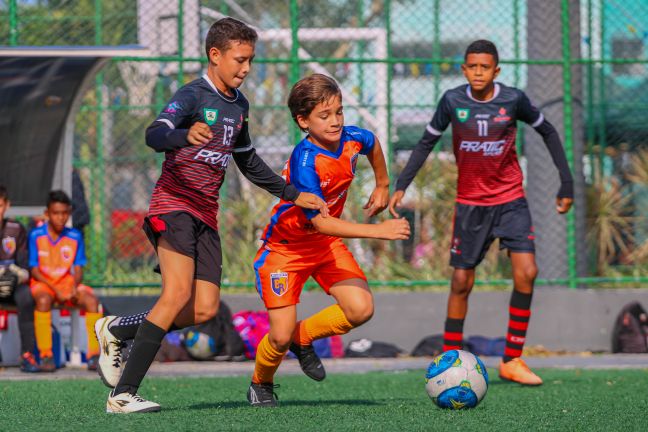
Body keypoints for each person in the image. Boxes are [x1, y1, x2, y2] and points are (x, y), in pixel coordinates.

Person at [92, 17, 328, 414]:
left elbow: (248, 161)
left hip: (206, 213)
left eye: (250, 60)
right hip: (173, 204)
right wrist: (184, 134)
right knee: (176, 294)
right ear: (214, 55)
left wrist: (292, 194)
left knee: (203, 309)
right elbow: (154, 133)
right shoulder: (191, 95)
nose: (246, 68)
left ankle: (117, 328)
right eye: (240, 59)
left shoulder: (240, 106)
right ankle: (122, 394)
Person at [389, 40, 574, 386]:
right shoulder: (452, 101)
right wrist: (402, 184)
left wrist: (566, 183)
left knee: (527, 272)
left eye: (484, 67)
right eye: (472, 66)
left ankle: (512, 358)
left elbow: (547, 131)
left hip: (511, 201)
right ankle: (449, 360)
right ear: (464, 69)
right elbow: (427, 141)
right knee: (461, 282)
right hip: (471, 204)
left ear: (496, 70)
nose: (477, 72)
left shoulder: (513, 99)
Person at [247, 74, 410, 407]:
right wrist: (379, 231)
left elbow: (373, 143)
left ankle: (302, 337)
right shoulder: (305, 162)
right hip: (285, 251)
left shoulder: (352, 138)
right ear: (303, 121)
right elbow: (321, 222)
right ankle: (260, 383)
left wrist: (382, 183)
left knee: (361, 309)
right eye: (325, 115)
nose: (335, 121)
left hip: (324, 247)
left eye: (339, 112)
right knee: (277, 336)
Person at [29, 190, 101, 372]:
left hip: (67, 285)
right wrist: (55, 289)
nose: (60, 218)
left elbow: (78, 269)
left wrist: (74, 286)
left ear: (69, 213)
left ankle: (94, 355)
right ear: (47, 214)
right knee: (44, 300)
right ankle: (46, 355)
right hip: (44, 284)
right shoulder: (36, 235)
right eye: (55, 213)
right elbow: (34, 270)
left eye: (64, 213)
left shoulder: (75, 236)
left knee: (91, 301)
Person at [0, 185, 39, 372]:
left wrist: (15, 275)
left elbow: (25, 269)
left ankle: (27, 355)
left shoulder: (16, 229)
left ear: (7, 205)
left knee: (26, 298)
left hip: (13, 285)